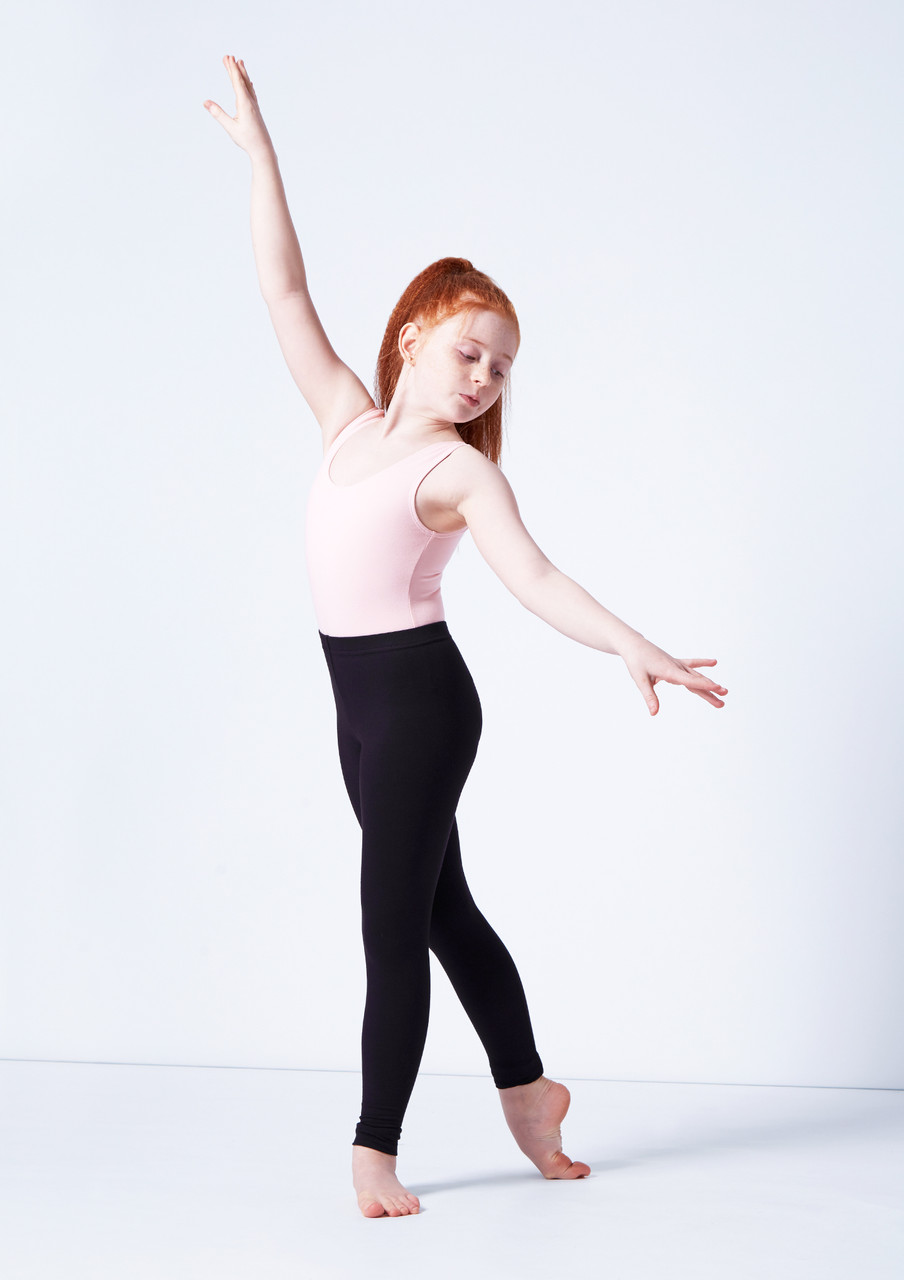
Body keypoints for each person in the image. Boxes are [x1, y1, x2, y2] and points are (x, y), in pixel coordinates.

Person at [204, 54, 728, 1220]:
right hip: (359, 705)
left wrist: (629, 642)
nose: (485, 377)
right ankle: (530, 1090)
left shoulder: (453, 472)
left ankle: (373, 1151)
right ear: (412, 337)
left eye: (501, 367)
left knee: (388, 925)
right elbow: (286, 297)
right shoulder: (346, 421)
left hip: (421, 708)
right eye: (469, 351)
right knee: (444, 913)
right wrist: (262, 158)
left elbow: (535, 574)